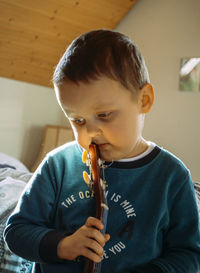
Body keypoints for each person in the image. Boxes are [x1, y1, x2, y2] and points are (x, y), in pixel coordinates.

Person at [4, 29, 200, 273]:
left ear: (144, 100)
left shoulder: (172, 176)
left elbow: (189, 254)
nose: (89, 134)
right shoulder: (58, 165)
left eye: (104, 115)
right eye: (77, 120)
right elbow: (16, 231)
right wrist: (62, 245)